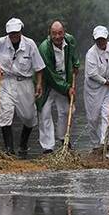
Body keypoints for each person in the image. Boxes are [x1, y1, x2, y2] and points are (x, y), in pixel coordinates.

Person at [0, 18, 45, 157]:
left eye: (16, 33)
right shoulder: (0, 43)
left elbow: (39, 67)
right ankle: (9, 149)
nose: (13, 35)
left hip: (24, 83)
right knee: (5, 114)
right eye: (11, 33)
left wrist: (38, 84)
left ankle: (23, 143)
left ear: (20, 31)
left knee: (29, 116)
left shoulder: (29, 44)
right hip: (6, 81)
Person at [36, 20, 80, 154]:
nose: (57, 37)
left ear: (64, 32)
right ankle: (48, 146)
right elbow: (50, 74)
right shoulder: (44, 48)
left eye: (60, 33)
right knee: (45, 114)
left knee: (67, 111)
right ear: (49, 34)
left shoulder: (70, 40)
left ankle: (63, 138)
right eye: (54, 34)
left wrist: (76, 65)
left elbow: (73, 56)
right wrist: (67, 88)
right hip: (47, 83)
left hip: (64, 80)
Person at [83, 25, 109, 153]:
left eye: (103, 39)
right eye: (98, 40)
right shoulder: (91, 54)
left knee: (107, 114)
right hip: (94, 88)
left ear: (107, 38)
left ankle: (105, 142)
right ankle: (95, 145)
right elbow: (93, 74)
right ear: (95, 40)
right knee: (93, 118)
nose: (101, 42)